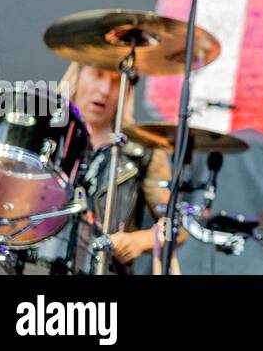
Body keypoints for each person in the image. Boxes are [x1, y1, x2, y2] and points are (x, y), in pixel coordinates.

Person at [60, 63, 183, 272]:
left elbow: (178, 226)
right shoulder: (46, 135)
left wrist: (141, 240)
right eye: (98, 75)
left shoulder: (143, 150)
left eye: (116, 81)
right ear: (78, 75)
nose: (105, 90)